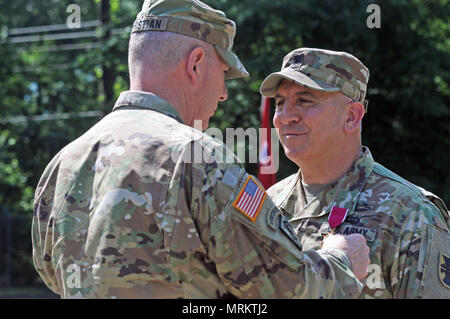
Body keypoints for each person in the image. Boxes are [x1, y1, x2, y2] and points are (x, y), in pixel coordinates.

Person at [31, 1, 370, 299]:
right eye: (224, 72)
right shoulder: (199, 157)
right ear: (195, 64)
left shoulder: (64, 162)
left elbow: (52, 274)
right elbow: (288, 288)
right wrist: (340, 261)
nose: (223, 93)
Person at [260, 47, 450, 298]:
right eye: (280, 103)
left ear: (351, 116)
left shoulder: (410, 214)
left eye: (304, 100)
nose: (285, 117)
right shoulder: (270, 202)